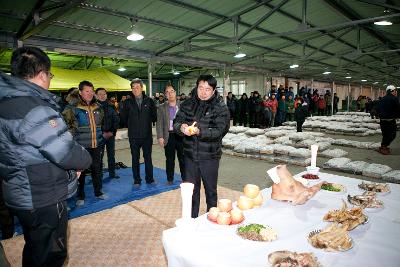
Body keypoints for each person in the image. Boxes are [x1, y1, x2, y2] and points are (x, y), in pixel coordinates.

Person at [0, 46, 91, 267]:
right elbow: (65, 151)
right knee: (50, 254)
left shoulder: (6, 102)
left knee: (35, 247)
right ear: (42, 75)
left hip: (18, 190)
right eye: (50, 75)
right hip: (42, 196)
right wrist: (84, 160)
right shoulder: (35, 108)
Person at [174, 74, 230, 218]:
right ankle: (191, 219)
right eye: (200, 88)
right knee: (191, 191)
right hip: (189, 156)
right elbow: (176, 122)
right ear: (196, 87)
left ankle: (211, 219)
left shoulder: (220, 107)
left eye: (207, 89)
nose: (203, 92)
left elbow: (219, 131)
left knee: (211, 191)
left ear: (213, 90)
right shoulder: (187, 104)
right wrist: (181, 128)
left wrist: (200, 131)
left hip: (210, 157)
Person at [63, 80, 107, 206]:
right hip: (81, 146)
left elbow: (101, 124)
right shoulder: (73, 108)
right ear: (80, 92)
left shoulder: (98, 106)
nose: (89, 93)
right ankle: (80, 196)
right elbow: (68, 127)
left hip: (96, 144)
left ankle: (98, 192)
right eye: (87, 91)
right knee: (80, 172)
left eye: (91, 91)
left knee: (97, 169)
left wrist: (102, 136)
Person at [120, 79, 157, 186]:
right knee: (135, 159)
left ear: (142, 88)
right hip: (133, 136)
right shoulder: (127, 103)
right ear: (131, 90)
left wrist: (145, 123)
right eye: (133, 88)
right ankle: (137, 180)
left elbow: (154, 116)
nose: (135, 89)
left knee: (148, 158)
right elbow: (123, 118)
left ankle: (149, 179)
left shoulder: (149, 101)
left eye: (137, 87)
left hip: (147, 136)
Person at [156, 85, 185, 185]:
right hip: (168, 136)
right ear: (165, 95)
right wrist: (160, 137)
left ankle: (185, 178)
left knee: (183, 158)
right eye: (167, 92)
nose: (170, 94)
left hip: (181, 135)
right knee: (169, 159)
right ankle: (170, 179)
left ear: (175, 92)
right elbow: (159, 123)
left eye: (172, 91)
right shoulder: (161, 107)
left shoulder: (183, 106)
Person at [96, 88, 120, 179]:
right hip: (99, 136)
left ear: (106, 95)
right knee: (99, 156)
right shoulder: (93, 106)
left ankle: (112, 173)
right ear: (96, 95)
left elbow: (116, 120)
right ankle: (99, 175)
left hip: (110, 135)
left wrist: (112, 132)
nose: (102, 96)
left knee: (111, 155)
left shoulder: (112, 106)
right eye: (100, 94)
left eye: (104, 94)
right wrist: (101, 133)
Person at [377, 85, 400, 155]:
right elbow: (398, 109)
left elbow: (378, 109)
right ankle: (383, 146)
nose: (396, 92)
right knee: (392, 135)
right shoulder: (394, 99)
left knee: (385, 134)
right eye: (395, 91)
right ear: (391, 91)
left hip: (382, 120)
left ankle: (383, 146)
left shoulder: (382, 99)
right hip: (390, 120)